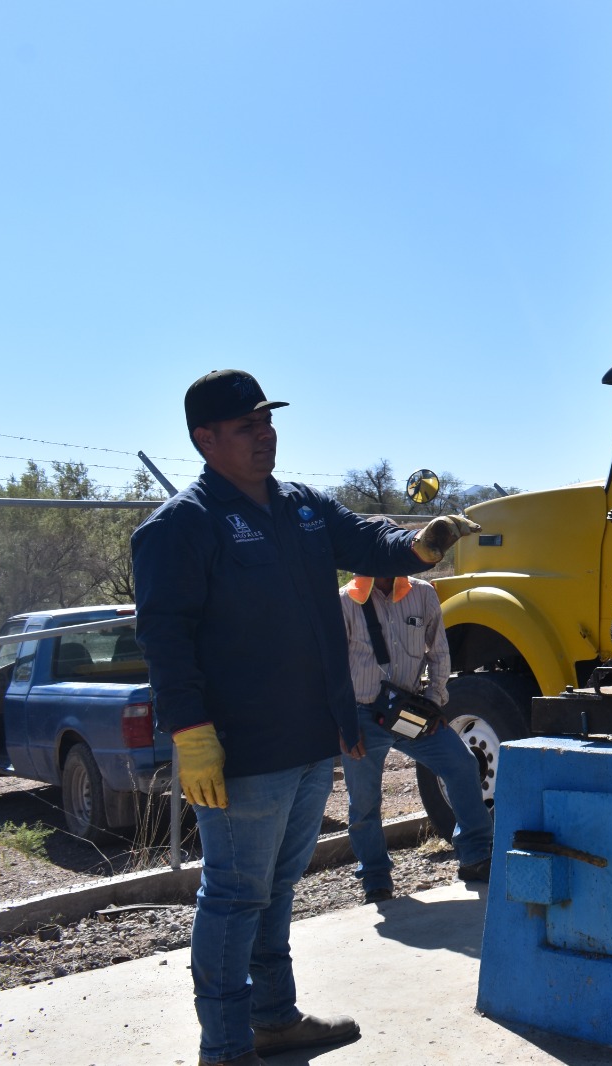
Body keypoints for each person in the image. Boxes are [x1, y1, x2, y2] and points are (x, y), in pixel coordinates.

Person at [132, 369, 481, 1066]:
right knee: (234, 896)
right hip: (241, 749)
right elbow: (164, 637)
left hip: (314, 736)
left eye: (267, 421)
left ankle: (273, 1018)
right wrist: (190, 731)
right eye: (244, 427)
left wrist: (423, 543)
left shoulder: (303, 508)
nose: (264, 436)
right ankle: (225, 1046)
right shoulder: (182, 527)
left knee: (276, 888)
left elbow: (372, 543)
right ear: (205, 439)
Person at [339, 547, 494, 903]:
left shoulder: (422, 594)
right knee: (364, 801)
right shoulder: (345, 602)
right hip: (361, 715)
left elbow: (439, 652)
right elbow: (330, 669)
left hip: (410, 712)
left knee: (460, 765)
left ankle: (475, 856)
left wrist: (436, 701)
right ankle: (376, 879)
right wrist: (343, 725)